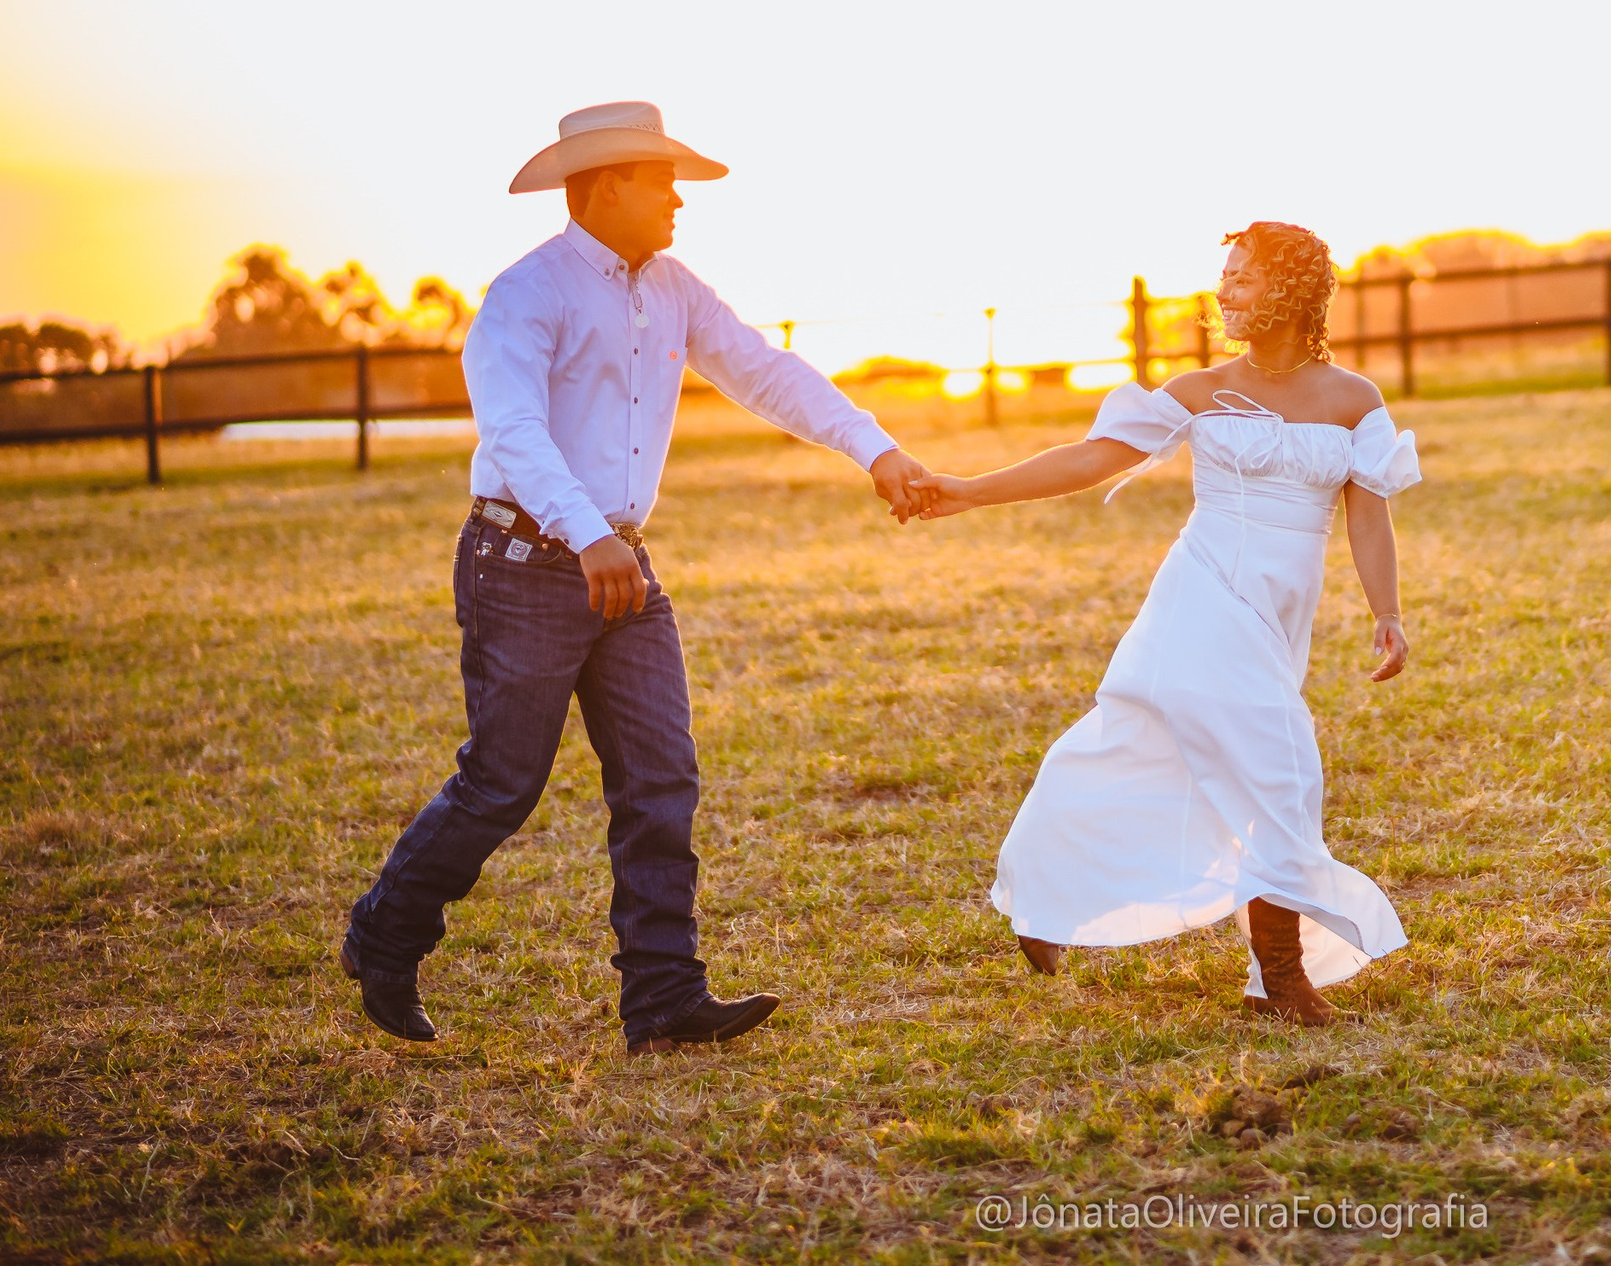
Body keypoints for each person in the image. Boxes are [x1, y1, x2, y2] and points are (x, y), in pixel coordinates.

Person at [342, 101, 931, 1052]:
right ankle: (384, 932)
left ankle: (661, 996)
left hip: (623, 566)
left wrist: (876, 448)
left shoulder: (676, 288)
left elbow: (766, 371)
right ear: (605, 183)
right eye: (662, 181)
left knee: (662, 779)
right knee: (502, 782)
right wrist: (586, 536)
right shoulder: (524, 295)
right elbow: (514, 431)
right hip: (528, 559)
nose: (677, 203)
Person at [908, 221, 1416, 1025]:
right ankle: (1279, 980)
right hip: (1204, 593)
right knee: (1284, 769)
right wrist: (967, 487)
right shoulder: (1200, 390)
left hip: (1280, 610)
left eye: (1243, 276)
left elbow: (1369, 517)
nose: (1225, 290)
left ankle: (1045, 890)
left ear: (1291, 290)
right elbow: (1085, 460)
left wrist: (1386, 610)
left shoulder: (1354, 400)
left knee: (1149, 753)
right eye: (1226, 274)